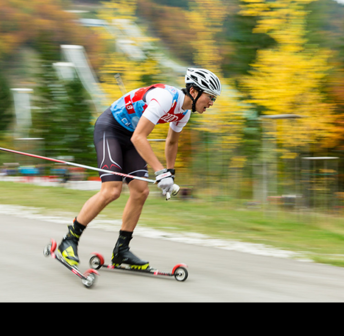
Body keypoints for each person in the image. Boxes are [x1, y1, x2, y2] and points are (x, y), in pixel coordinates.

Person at [56, 68, 222, 270]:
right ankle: (70, 239)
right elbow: (139, 138)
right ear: (194, 92)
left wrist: (170, 172)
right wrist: (159, 171)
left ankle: (121, 251)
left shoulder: (185, 112)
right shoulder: (165, 98)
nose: (212, 102)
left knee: (141, 191)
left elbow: (171, 142)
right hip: (111, 129)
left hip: (131, 136)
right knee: (112, 191)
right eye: (210, 97)